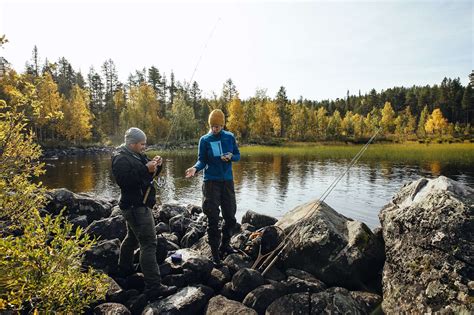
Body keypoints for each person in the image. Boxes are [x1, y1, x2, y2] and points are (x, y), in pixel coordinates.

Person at [112, 127, 177, 300]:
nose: (144, 146)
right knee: (149, 243)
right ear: (132, 143)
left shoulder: (136, 155)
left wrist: (157, 165)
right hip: (135, 207)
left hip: (138, 205)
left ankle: (124, 268)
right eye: (142, 143)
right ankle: (154, 286)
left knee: (132, 238)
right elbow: (124, 182)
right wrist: (145, 169)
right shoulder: (120, 158)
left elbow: (150, 175)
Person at [185, 109, 240, 266]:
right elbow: (201, 160)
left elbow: (237, 155)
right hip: (210, 183)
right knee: (213, 219)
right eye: (212, 126)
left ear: (222, 125)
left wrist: (231, 157)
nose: (215, 129)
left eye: (218, 126)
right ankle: (215, 254)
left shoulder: (229, 137)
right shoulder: (205, 140)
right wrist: (195, 168)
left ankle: (225, 245)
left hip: (227, 182)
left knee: (230, 217)